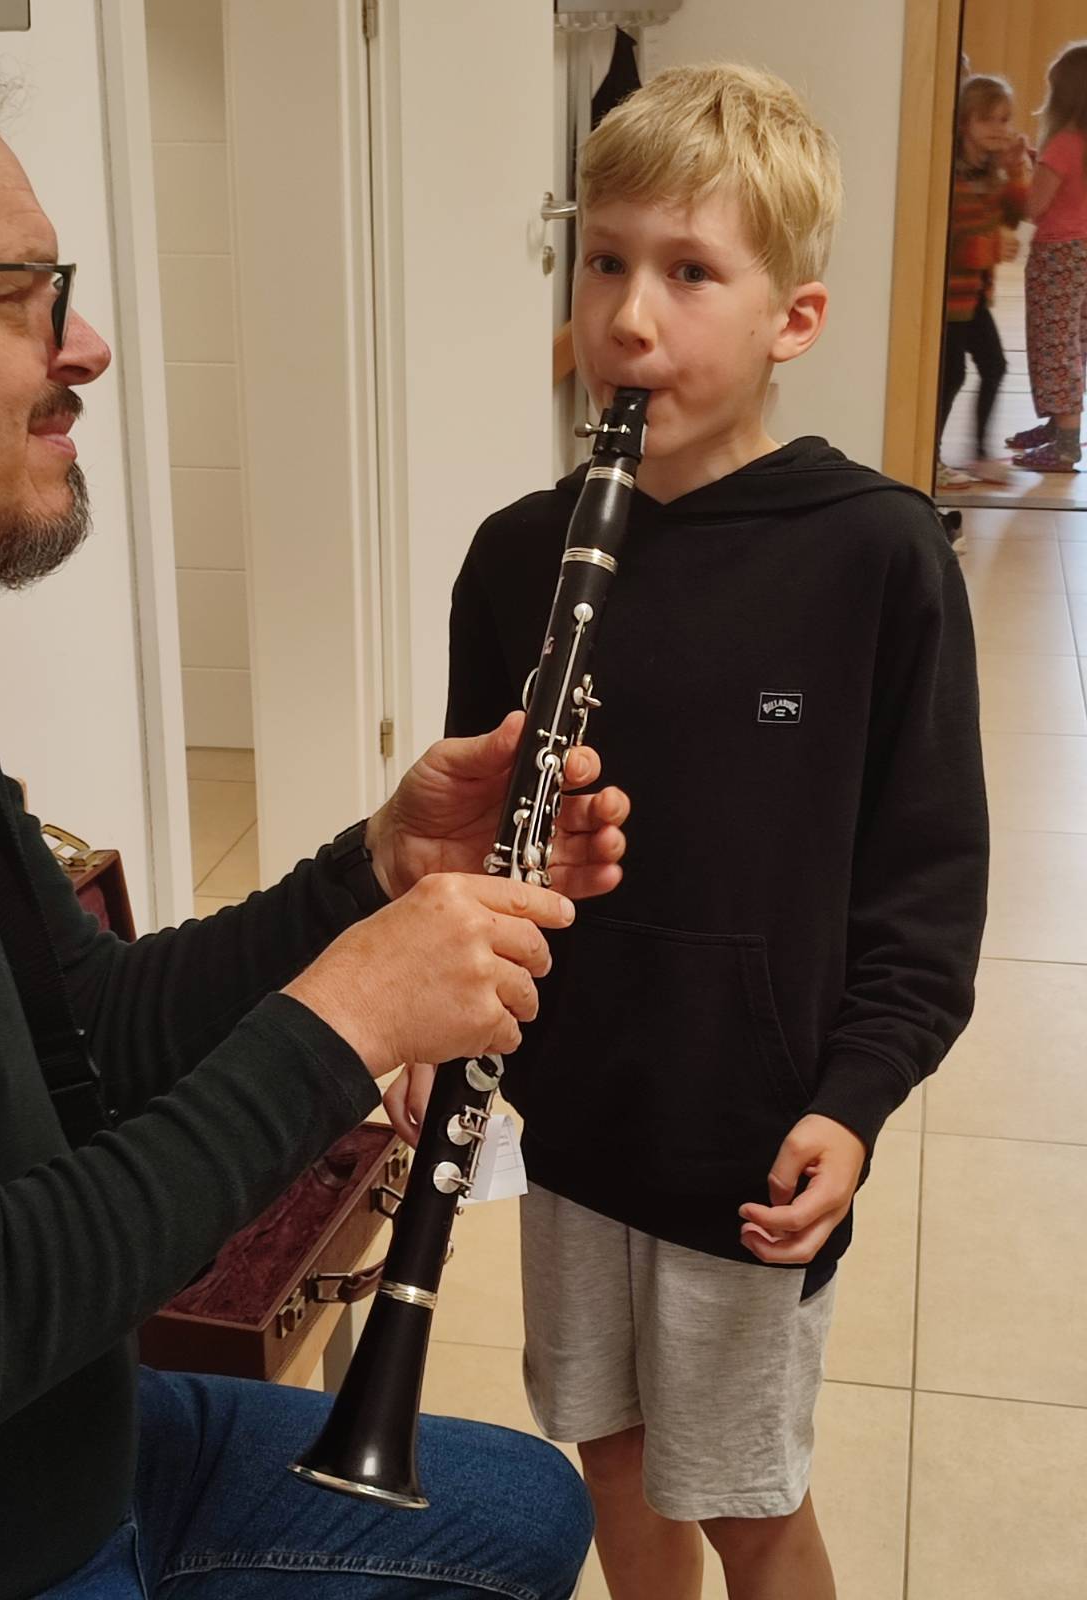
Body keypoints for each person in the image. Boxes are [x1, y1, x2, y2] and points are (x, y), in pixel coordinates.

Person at [0, 29, 632, 1600]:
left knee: (522, 1510)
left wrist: (373, 874)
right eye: (22, 294)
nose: (88, 347)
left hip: (77, 1435)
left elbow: (93, 1030)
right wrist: (349, 1019)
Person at [391, 64, 989, 1600]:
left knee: (747, 1500)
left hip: (752, 1135)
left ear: (796, 317)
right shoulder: (517, 556)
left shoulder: (876, 555)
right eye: (604, 261)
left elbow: (927, 882)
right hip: (577, 1116)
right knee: (611, 1451)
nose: (629, 317)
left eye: (689, 272)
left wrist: (857, 1097)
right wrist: (425, 1021)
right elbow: (475, 857)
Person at [935, 74, 1029, 491]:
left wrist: (1017, 172)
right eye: (988, 119)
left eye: (1005, 119)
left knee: (994, 366)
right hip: (949, 300)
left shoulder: (989, 173)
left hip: (973, 298)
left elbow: (1013, 215)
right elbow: (952, 242)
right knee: (951, 375)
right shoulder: (952, 178)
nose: (999, 128)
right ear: (964, 123)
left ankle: (980, 453)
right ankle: (931, 456)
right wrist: (992, 247)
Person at [1007, 40, 1087, 472]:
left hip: (1058, 255)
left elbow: (1033, 207)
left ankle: (1067, 442)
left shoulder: (1064, 144)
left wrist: (1017, 172)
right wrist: (1039, 162)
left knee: (1053, 345)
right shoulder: (1080, 145)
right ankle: (1060, 427)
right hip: (1084, 252)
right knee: (1074, 342)